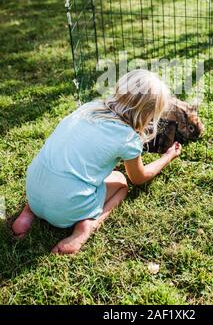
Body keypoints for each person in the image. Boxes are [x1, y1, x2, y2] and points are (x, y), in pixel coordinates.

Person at [12, 69, 182, 254]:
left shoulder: (89, 107)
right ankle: (87, 226)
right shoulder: (128, 139)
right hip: (66, 208)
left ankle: (28, 213)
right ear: (148, 114)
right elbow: (138, 178)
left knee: (61, 171)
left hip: (33, 190)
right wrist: (167, 157)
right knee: (121, 182)